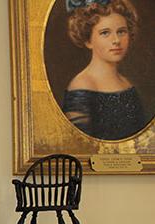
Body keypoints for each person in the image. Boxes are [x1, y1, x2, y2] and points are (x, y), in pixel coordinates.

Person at [62, 0, 148, 140]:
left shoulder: (127, 84)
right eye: (105, 33)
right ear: (88, 40)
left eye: (121, 32)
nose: (116, 40)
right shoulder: (82, 85)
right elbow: (80, 144)